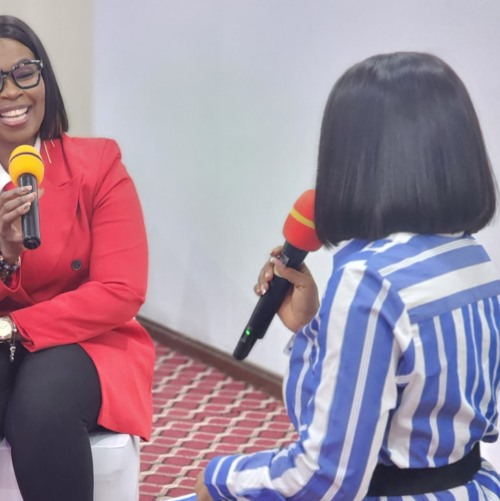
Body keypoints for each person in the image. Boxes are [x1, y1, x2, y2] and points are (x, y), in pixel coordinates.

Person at [192, 52, 500, 500]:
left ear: (351, 160)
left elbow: (327, 475)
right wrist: (313, 325)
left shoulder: (369, 281)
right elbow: (482, 421)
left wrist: (220, 478)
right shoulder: (476, 260)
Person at [0, 15, 154, 501]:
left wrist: (6, 329)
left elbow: (122, 291)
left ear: (44, 79)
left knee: (45, 402)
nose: (13, 92)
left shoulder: (99, 164)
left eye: (25, 72)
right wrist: (3, 253)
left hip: (82, 338)